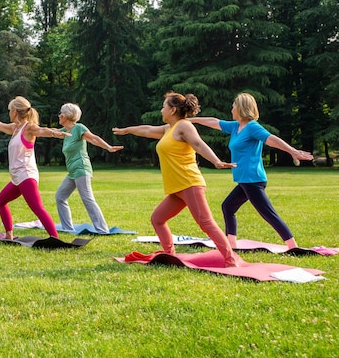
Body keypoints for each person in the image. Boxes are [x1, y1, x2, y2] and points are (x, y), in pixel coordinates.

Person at [113, 92, 239, 267]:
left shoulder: (184, 126)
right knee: (157, 218)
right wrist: (127, 130)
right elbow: (147, 130)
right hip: (177, 188)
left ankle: (230, 260)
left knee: (206, 223)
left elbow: (198, 144)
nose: (161, 109)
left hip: (189, 183)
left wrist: (216, 161)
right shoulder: (168, 129)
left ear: (172, 110)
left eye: (164, 106)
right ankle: (169, 254)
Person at [189, 92, 314, 249]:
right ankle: (232, 244)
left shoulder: (252, 127)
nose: (231, 109)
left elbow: (272, 139)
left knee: (268, 213)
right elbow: (213, 121)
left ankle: (292, 246)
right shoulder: (235, 127)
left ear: (241, 108)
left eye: (234, 106)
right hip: (244, 180)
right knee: (228, 206)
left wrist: (292, 151)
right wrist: (190, 120)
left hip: (253, 179)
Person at [0, 96, 70, 240]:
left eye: (9, 110)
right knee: (1, 200)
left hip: (26, 175)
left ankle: (54, 238)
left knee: (37, 208)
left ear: (15, 111)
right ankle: (9, 235)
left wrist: (54, 133)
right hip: (17, 178)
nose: (8, 113)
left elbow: (41, 130)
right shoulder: (15, 128)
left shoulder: (28, 128)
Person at [55, 103, 123, 233]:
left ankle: (102, 229)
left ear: (65, 116)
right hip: (72, 172)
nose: (59, 116)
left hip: (81, 169)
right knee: (60, 196)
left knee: (87, 198)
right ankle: (67, 228)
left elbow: (93, 139)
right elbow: (49, 132)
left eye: (60, 114)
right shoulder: (65, 132)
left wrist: (108, 147)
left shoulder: (78, 128)